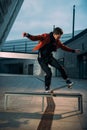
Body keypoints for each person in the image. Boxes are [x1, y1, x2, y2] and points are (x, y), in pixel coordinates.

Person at [23, 27, 80, 92]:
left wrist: (73, 51)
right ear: (55, 34)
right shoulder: (45, 36)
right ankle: (47, 88)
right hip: (42, 59)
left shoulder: (57, 41)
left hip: (50, 57)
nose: (59, 38)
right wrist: (28, 35)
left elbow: (63, 47)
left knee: (60, 67)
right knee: (49, 73)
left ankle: (67, 80)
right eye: (59, 37)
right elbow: (35, 38)